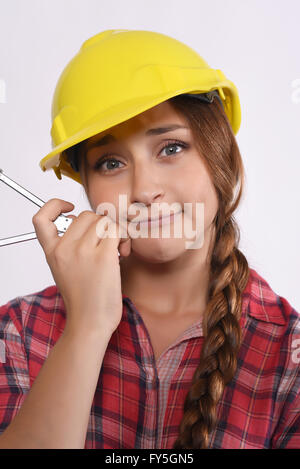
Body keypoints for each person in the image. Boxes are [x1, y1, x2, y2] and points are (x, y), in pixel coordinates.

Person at [0, 29, 299, 450]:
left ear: (222, 155)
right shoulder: (18, 333)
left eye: (171, 148)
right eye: (111, 162)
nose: (144, 189)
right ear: (86, 186)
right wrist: (86, 327)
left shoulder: (288, 352)